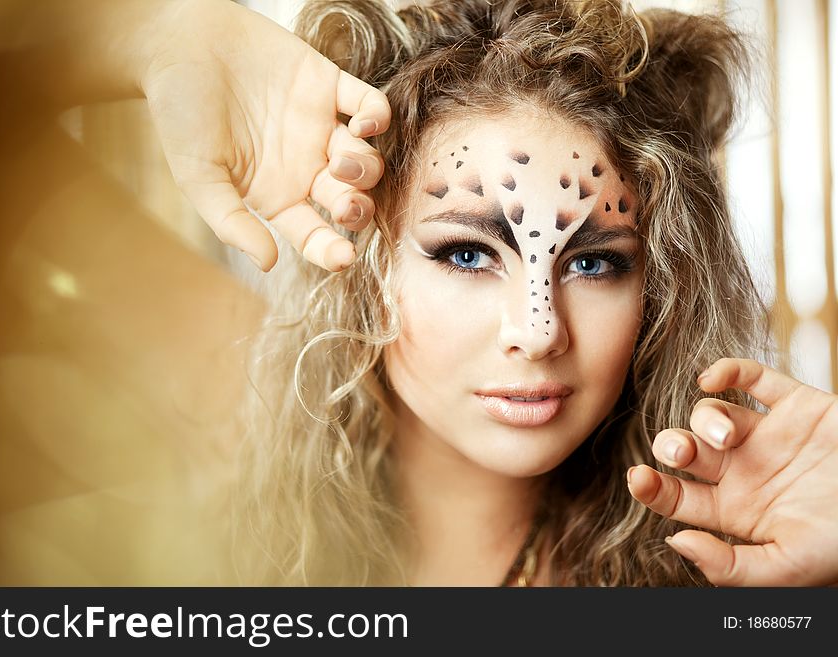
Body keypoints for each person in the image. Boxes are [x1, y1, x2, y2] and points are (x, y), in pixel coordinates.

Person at [231, 0, 838, 587]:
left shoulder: (732, 572)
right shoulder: (219, 433)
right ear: (364, 259)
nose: (540, 331)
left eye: (595, 262)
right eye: (467, 255)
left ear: (660, 288)